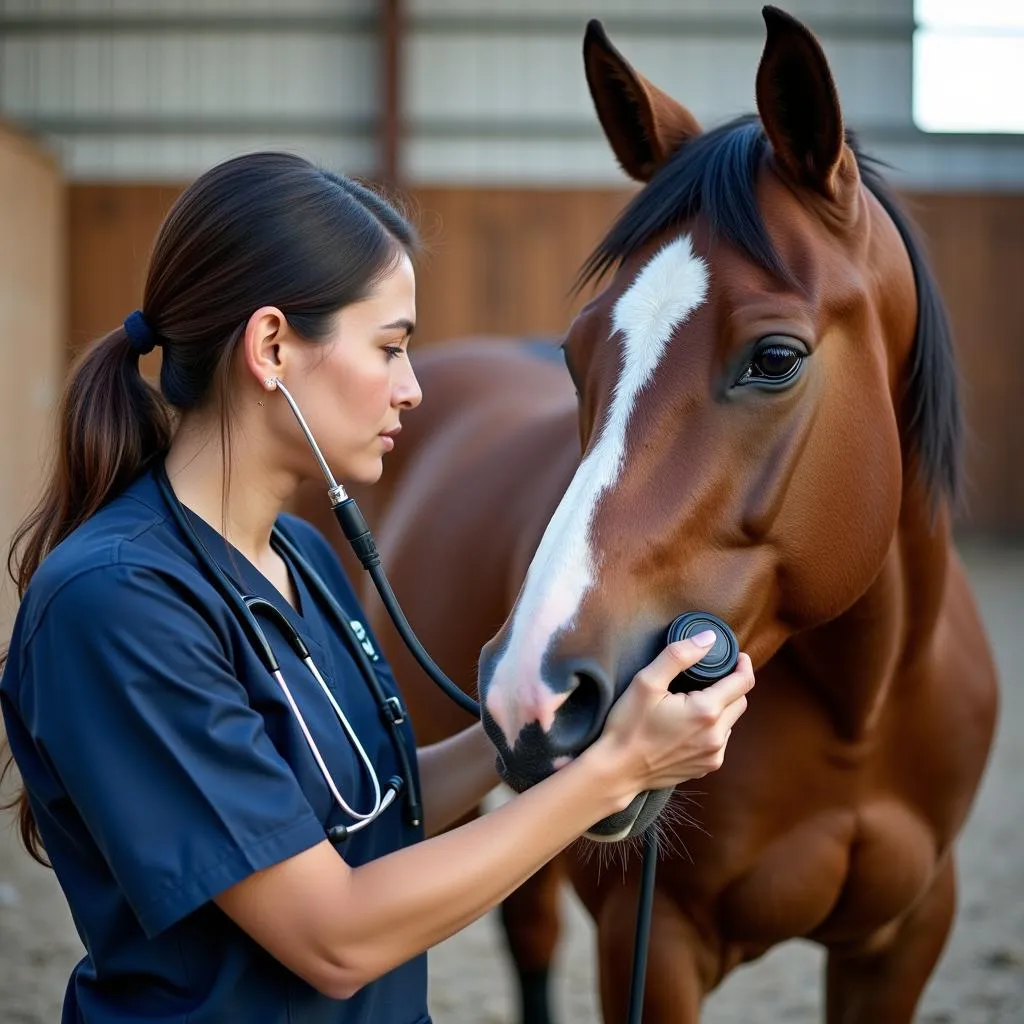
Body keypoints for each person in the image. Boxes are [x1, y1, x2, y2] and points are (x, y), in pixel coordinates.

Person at [0, 152, 754, 1024]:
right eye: (391, 348)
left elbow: (377, 807)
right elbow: (332, 936)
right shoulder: (117, 607)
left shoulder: (304, 559)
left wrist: (564, 731)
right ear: (273, 347)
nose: (413, 389)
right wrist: (619, 771)